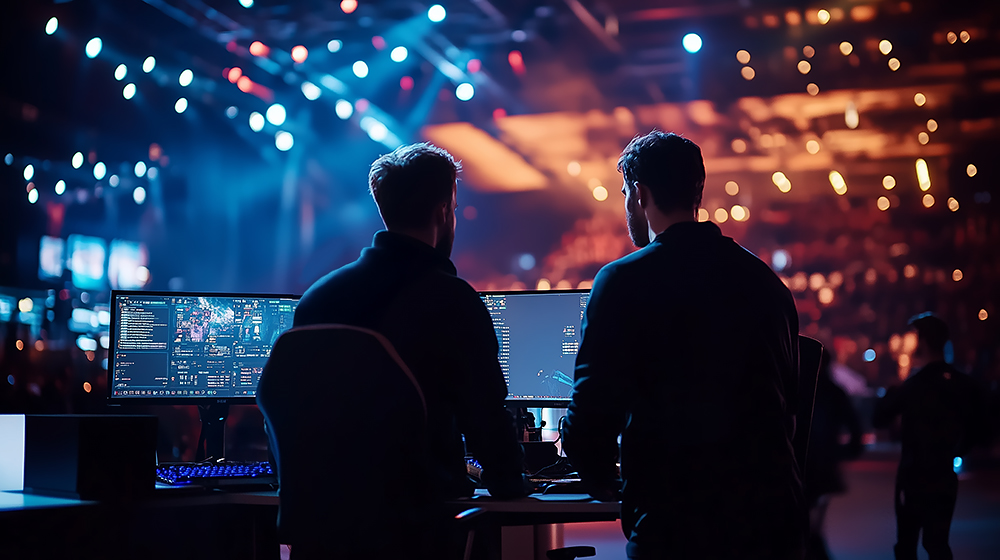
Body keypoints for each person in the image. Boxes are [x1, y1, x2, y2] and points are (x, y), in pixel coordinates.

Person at [562, 130, 808, 560]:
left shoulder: (622, 281)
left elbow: (592, 412)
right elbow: (789, 405)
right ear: (697, 190)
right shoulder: (766, 283)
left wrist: (597, 475)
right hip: (772, 521)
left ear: (639, 193)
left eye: (624, 193)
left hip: (676, 522)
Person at [292, 143, 526, 549]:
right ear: (443, 212)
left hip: (323, 533)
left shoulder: (317, 299)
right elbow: (486, 420)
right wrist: (511, 481)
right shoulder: (453, 301)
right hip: (419, 531)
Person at [873, 312, 992, 560]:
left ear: (923, 342)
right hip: (944, 475)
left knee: (906, 545)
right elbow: (983, 428)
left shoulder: (914, 385)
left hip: (913, 475)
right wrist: (959, 449)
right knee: (938, 544)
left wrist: (893, 389)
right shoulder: (963, 384)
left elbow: (880, 418)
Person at [804, 352, 864, 560]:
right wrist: (847, 451)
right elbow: (854, 425)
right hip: (825, 461)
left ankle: (811, 547)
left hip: (804, 461)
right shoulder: (834, 391)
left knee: (806, 514)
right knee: (816, 515)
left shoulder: (801, 389)